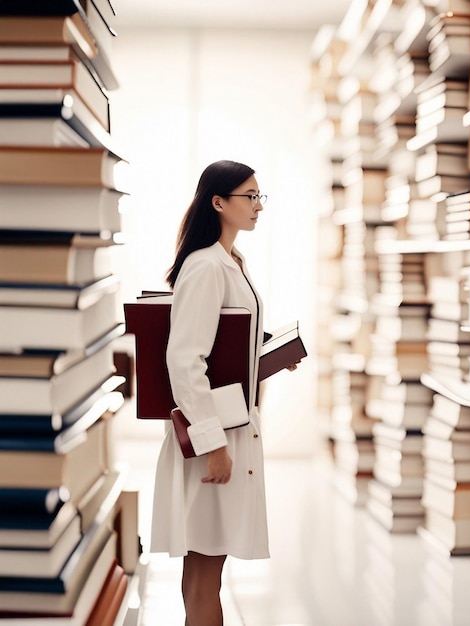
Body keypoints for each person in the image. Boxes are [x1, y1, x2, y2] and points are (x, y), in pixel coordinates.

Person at [150, 160, 297, 626]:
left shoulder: (230, 261)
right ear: (219, 202)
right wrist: (213, 446)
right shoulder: (206, 266)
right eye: (248, 197)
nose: (257, 206)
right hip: (214, 437)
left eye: (259, 197)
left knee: (204, 567)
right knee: (205, 572)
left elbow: (224, 350)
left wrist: (268, 357)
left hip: (227, 427)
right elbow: (185, 360)